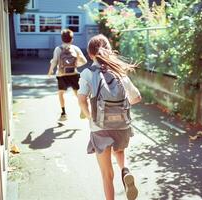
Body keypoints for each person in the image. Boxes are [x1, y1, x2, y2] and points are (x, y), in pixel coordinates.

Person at [78, 34, 141, 200]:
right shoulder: (119, 72)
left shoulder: (87, 73)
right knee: (119, 152)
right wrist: (120, 108)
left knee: (107, 175)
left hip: (100, 127)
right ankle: (125, 170)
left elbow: (82, 100)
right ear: (109, 51)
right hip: (122, 125)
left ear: (90, 54)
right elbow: (137, 98)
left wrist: (90, 117)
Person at [48, 28, 87, 121]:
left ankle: (63, 113)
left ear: (61, 39)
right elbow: (84, 61)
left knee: (61, 94)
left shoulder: (58, 49)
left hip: (62, 75)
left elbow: (54, 61)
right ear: (72, 39)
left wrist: (50, 71)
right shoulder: (75, 48)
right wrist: (76, 65)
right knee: (77, 94)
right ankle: (82, 109)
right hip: (74, 74)